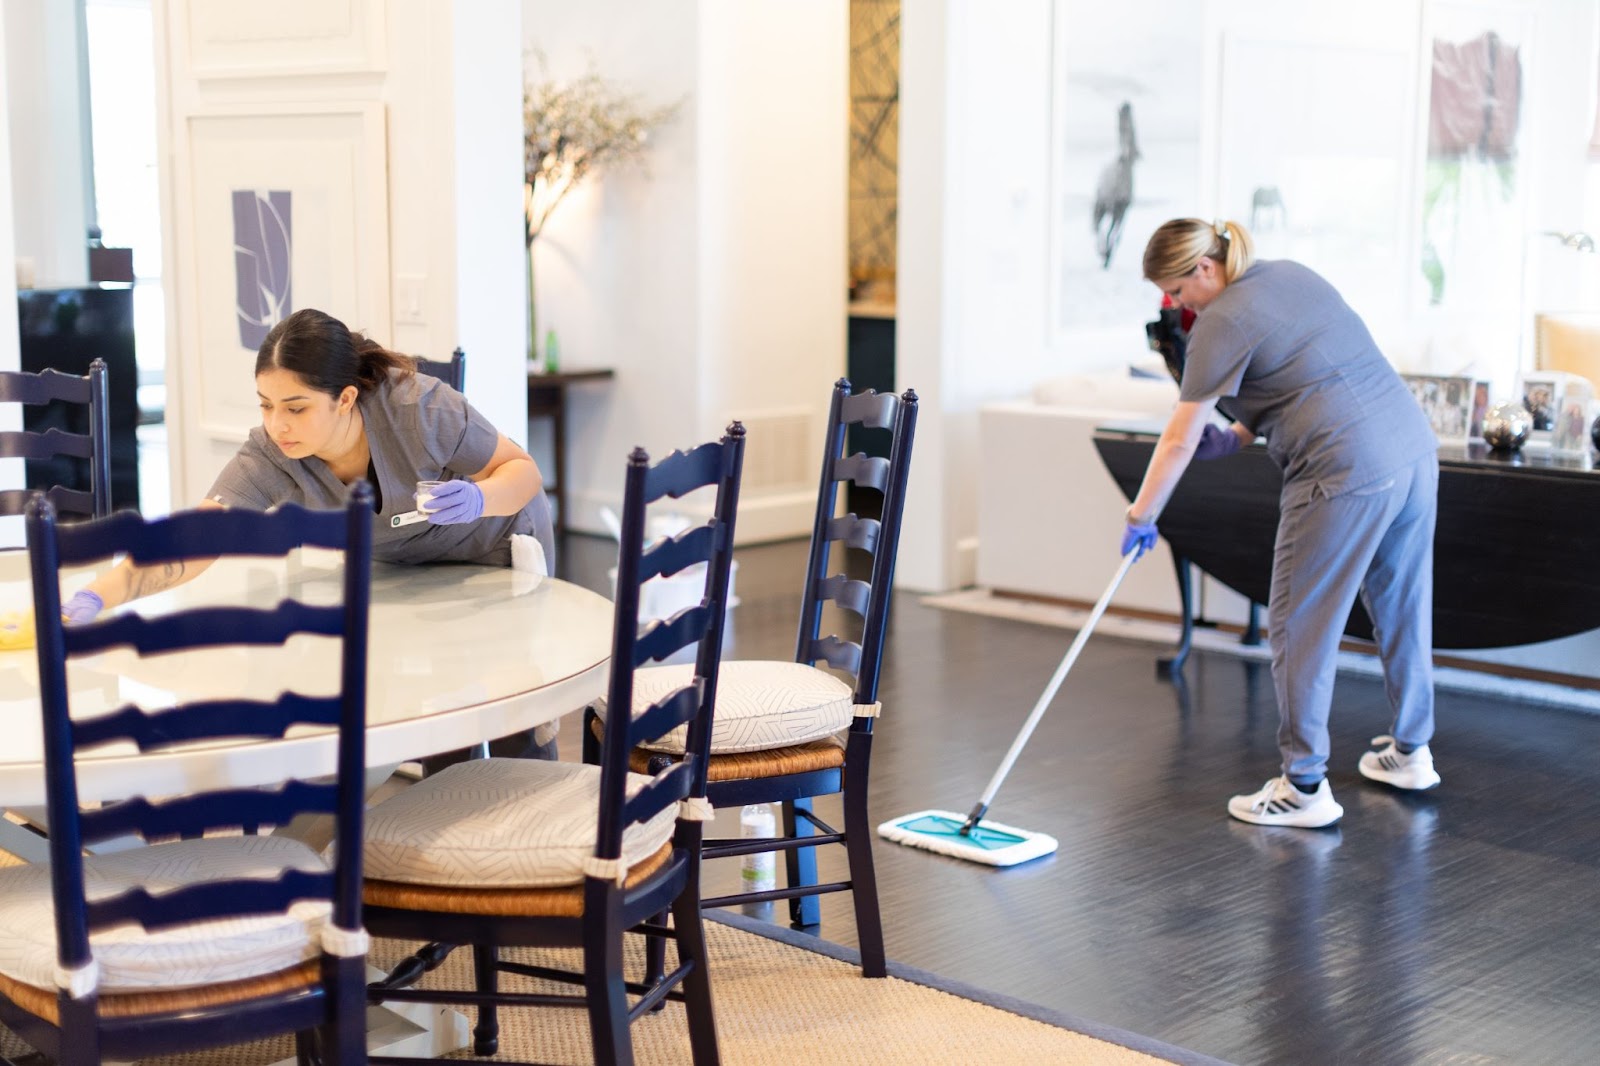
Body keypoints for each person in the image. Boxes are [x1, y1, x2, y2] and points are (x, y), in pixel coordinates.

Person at [59, 307, 560, 759]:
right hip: (407, 566)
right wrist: (97, 595)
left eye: (295, 407)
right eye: (265, 405)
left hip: (493, 545)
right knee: (436, 714)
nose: (278, 425)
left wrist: (478, 500)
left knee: (511, 702)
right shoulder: (273, 455)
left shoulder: (420, 410)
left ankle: (537, 828)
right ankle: (442, 833)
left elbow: (522, 471)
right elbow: (196, 539)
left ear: (344, 398)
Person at [1121, 218, 1441, 829]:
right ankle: (1410, 752)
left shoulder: (1220, 321)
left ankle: (1303, 788)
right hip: (1412, 451)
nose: (1176, 306)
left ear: (1203, 270)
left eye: (1176, 292)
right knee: (1403, 605)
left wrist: (1142, 515)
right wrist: (1241, 432)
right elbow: (1311, 372)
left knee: (1298, 626)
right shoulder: (1290, 275)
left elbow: (1177, 438)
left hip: (1341, 471)